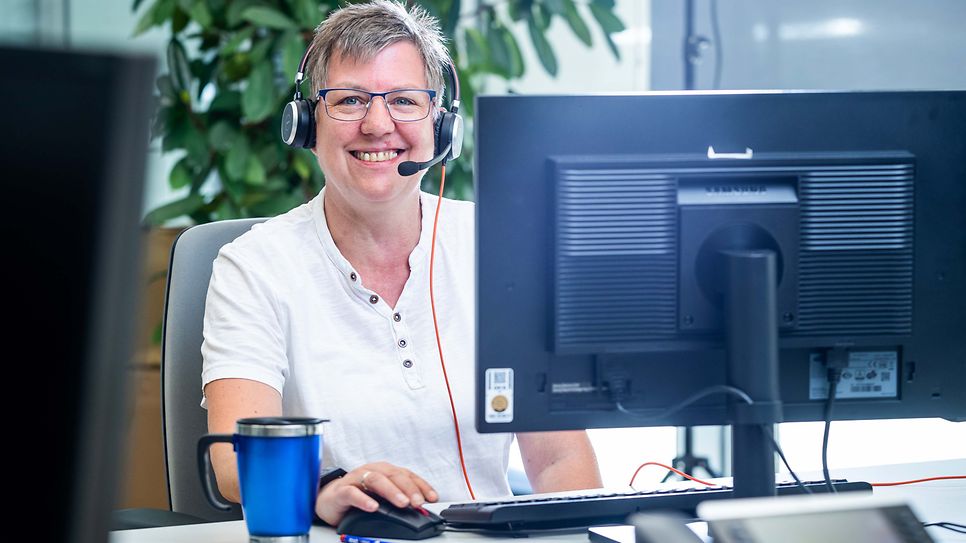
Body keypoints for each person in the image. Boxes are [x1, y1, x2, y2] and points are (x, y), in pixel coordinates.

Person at [201, 0, 602, 526]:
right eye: (349, 100)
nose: (377, 124)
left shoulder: (500, 245)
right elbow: (234, 460)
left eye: (404, 101)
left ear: (441, 126)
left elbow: (558, 459)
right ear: (307, 124)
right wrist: (327, 490)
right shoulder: (254, 266)